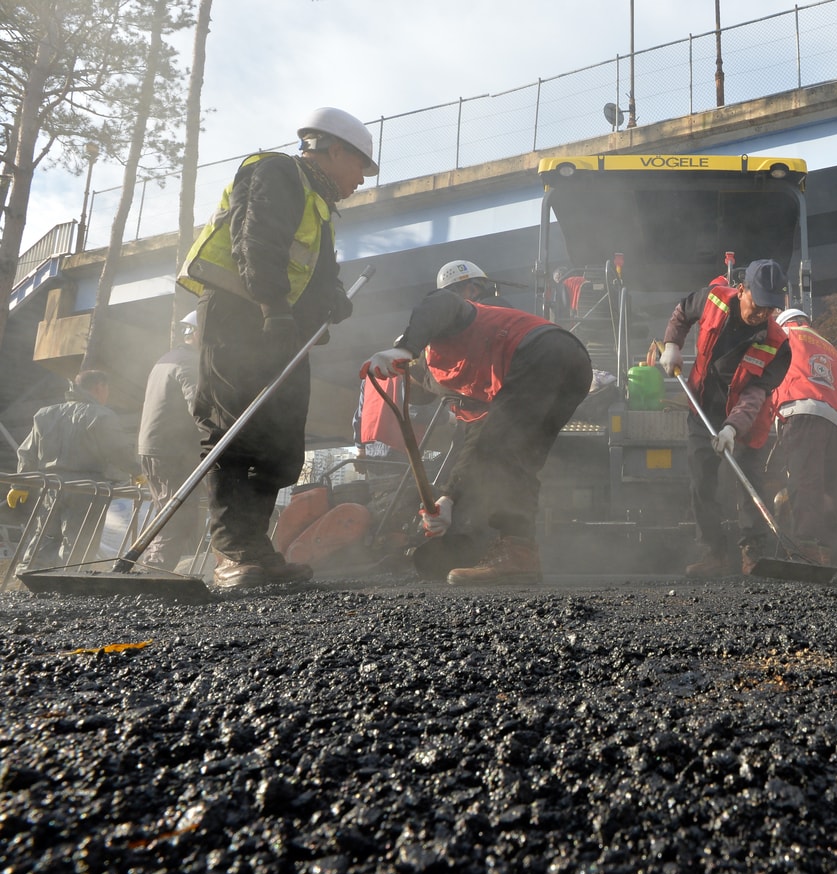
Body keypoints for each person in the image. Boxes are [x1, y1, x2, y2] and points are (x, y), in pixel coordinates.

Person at [176, 106, 375, 588]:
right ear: (335, 150)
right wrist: (274, 309)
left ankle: (258, 548)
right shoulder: (278, 172)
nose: (362, 180)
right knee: (234, 431)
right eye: (360, 168)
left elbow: (319, 272)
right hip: (239, 320)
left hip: (279, 330)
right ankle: (232, 552)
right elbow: (256, 241)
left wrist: (331, 302)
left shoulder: (321, 206)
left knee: (278, 442)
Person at [360, 259, 592, 585]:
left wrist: (404, 347)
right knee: (516, 460)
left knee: (499, 453)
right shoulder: (463, 384)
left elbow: (440, 302)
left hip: (538, 353)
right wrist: (449, 498)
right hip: (573, 366)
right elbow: (475, 442)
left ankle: (513, 551)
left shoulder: (455, 323)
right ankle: (518, 552)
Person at [658, 259, 793, 577]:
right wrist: (672, 345)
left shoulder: (779, 345)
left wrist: (732, 428)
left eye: (769, 309)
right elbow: (682, 312)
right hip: (701, 406)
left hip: (746, 422)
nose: (761, 315)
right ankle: (713, 553)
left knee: (750, 484)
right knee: (702, 482)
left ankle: (754, 555)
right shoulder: (713, 298)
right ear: (742, 289)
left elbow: (755, 394)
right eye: (758, 305)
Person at [15, 370, 137, 566]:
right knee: (78, 541)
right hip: (87, 488)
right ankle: (68, 587)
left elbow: (27, 452)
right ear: (100, 387)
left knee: (44, 536)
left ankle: (30, 581)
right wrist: (137, 470)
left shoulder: (45, 414)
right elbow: (118, 450)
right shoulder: (102, 415)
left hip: (50, 486)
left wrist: (20, 484)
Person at [770, 307, 837, 567]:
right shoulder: (831, 347)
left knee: (804, 483)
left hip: (800, 413)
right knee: (826, 488)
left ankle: (805, 548)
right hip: (834, 422)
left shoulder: (782, 335)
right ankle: (827, 551)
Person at [135, 311, 203, 569]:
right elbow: (199, 407)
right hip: (172, 451)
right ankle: (154, 573)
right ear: (198, 334)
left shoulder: (166, 359)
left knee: (169, 511)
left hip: (156, 448)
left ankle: (154, 569)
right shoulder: (189, 363)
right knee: (178, 515)